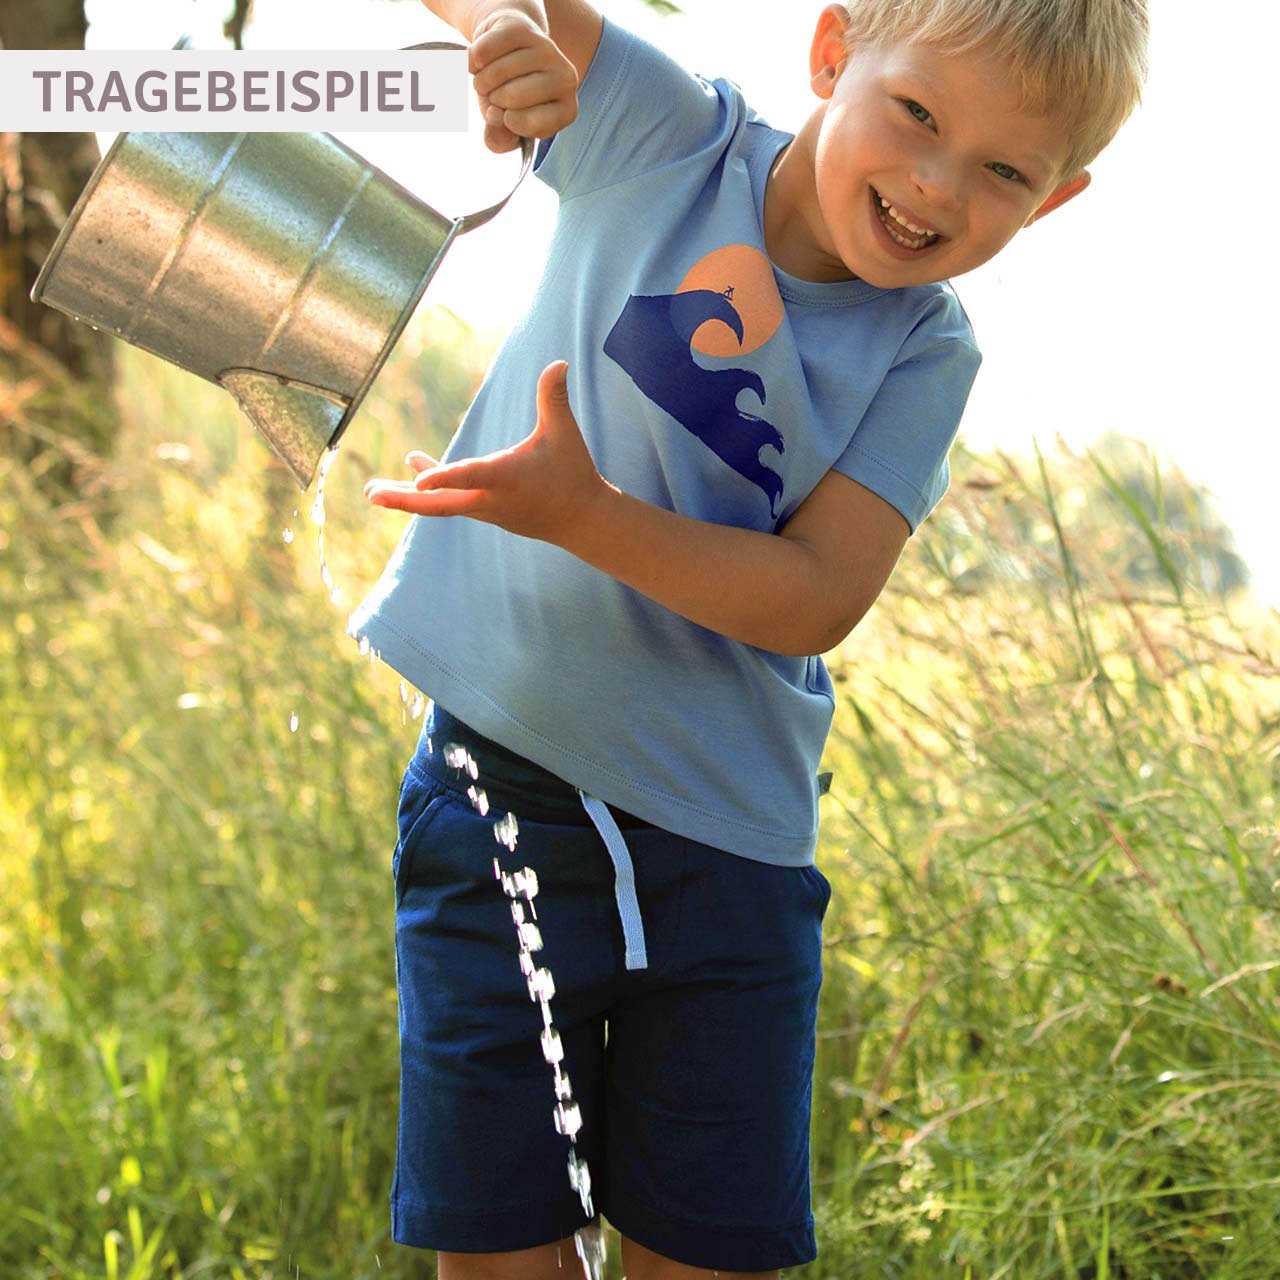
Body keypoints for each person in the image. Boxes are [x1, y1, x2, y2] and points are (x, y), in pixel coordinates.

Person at [351, 0, 1149, 1275]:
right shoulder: (663, 138)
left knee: (704, 1253)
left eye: (1004, 170)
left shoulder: (921, 351)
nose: (934, 186)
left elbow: (815, 593)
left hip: (723, 859)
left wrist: (585, 518)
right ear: (832, 54)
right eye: (917, 115)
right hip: (496, 792)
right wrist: (506, 29)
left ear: (1049, 202)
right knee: (499, 1247)